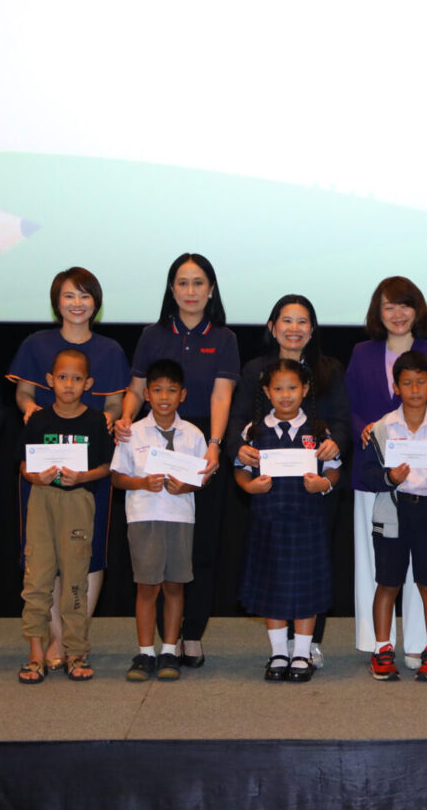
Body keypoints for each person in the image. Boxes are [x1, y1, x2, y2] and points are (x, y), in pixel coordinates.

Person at [117, 254, 239, 669]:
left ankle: (192, 634)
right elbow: (136, 389)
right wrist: (125, 418)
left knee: (199, 544)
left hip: (199, 442)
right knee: (156, 544)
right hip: (154, 439)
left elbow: (222, 394)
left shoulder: (223, 337)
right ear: (172, 289)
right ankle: (159, 643)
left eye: (198, 283)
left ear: (211, 289)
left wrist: (215, 445)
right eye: (183, 283)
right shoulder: (152, 335)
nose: (190, 291)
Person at [7, 266, 129, 669]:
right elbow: (23, 393)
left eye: (85, 295)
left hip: (90, 467)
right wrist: (31, 411)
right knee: (43, 556)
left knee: (85, 553)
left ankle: (69, 641)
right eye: (69, 295)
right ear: (56, 301)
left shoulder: (110, 349)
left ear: (97, 302)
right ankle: (54, 637)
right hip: (43, 466)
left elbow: (115, 402)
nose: (77, 303)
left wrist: (111, 417)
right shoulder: (36, 343)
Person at [227, 295, 350, 667]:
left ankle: (308, 646)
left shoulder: (329, 369)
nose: (294, 328)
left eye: (302, 321)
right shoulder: (255, 370)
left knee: (311, 566)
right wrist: (238, 450)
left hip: (313, 488)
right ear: (272, 326)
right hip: (270, 494)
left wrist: (335, 444)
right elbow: (237, 420)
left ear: (312, 329)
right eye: (287, 320)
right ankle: (281, 649)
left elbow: (342, 420)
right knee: (274, 566)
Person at [345, 277, 427, 666]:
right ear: (378, 312)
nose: (397, 314)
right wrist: (364, 429)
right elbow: (349, 404)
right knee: (379, 565)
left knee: (424, 569)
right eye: (388, 306)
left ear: (417, 309)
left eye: (404, 305)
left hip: (424, 478)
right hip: (375, 473)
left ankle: (420, 645)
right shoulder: (362, 352)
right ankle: (378, 643)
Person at [233, 360, 340, 683]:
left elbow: (333, 468)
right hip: (268, 521)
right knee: (273, 587)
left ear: (305, 390)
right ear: (267, 392)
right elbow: (240, 469)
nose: (285, 395)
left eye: (292, 387)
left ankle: (302, 653)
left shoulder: (319, 431)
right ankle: (279, 652)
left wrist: (325, 484)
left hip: (307, 521)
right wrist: (248, 486)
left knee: (307, 589)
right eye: (278, 388)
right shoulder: (253, 431)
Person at [361, 351, 427, 681]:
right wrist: (389, 478)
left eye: (421, 382)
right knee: (387, 583)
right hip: (393, 513)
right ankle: (382, 649)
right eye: (407, 383)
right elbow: (365, 474)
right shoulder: (380, 429)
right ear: (396, 387)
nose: (415, 389)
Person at [17, 349, 114, 684]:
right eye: (62, 377)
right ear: (50, 380)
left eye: (76, 378)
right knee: (37, 576)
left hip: (78, 502)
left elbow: (106, 466)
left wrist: (83, 476)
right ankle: (35, 651)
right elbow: (24, 465)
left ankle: (76, 651)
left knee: (75, 578)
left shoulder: (95, 421)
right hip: (42, 500)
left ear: (88, 383)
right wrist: (35, 476)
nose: (69, 384)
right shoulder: (38, 420)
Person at [110, 359, 207, 682]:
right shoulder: (132, 432)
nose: (164, 397)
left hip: (180, 517)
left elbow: (201, 478)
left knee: (175, 585)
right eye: (157, 390)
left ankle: (168, 650)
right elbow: (117, 476)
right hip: (144, 517)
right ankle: (145, 653)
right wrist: (141, 482)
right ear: (147, 395)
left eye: (172, 390)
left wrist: (186, 486)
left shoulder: (193, 434)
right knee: (147, 585)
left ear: (183, 395)